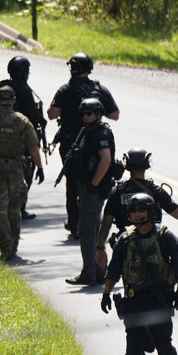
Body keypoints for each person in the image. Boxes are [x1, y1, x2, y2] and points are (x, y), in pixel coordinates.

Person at [101, 193, 178, 355]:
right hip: (134, 302)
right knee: (133, 351)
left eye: (142, 210)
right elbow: (114, 270)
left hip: (159, 300)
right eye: (134, 210)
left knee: (164, 346)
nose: (138, 214)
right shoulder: (125, 240)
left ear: (150, 212)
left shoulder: (165, 237)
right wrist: (106, 294)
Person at [47, 53, 119, 237]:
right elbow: (115, 114)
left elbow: (52, 114)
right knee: (96, 177)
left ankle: (74, 224)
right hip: (97, 142)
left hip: (72, 142)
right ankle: (93, 219)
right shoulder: (99, 89)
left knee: (72, 183)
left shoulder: (66, 89)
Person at [0, 86, 45, 262]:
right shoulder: (22, 121)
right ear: (13, 100)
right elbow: (33, 147)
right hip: (16, 171)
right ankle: (14, 244)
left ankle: (6, 248)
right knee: (14, 209)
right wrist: (40, 168)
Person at [96, 149, 178, 271]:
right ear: (147, 165)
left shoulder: (117, 192)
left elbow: (106, 223)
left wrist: (100, 248)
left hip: (127, 243)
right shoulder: (155, 190)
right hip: (154, 245)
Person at [64, 98, 116, 286]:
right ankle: (99, 270)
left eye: (89, 113)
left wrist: (94, 184)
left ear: (98, 114)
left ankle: (89, 273)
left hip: (93, 189)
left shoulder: (99, 133)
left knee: (87, 231)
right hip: (87, 186)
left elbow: (106, 159)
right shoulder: (88, 132)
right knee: (92, 229)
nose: (86, 117)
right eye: (83, 113)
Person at [0, 56, 47, 220]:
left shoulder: (2, 86)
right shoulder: (24, 89)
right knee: (26, 173)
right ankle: (20, 208)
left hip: (2, 139)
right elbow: (32, 113)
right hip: (22, 140)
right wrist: (42, 121)